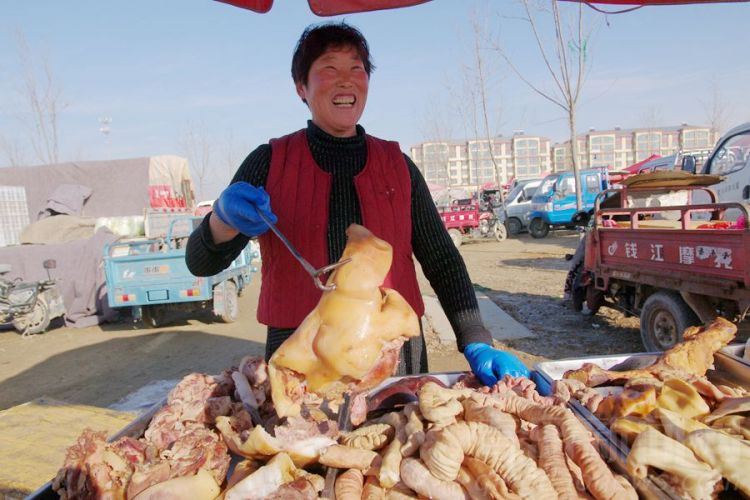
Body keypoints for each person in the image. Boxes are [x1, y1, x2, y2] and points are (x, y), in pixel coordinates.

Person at [185, 21, 528, 387]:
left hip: (393, 356)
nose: (346, 80)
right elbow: (200, 262)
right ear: (302, 87)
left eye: (357, 69)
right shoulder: (269, 163)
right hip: (301, 359)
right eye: (329, 68)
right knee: (302, 442)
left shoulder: (399, 166)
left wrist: (475, 338)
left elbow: (442, 259)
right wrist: (221, 221)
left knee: (396, 438)